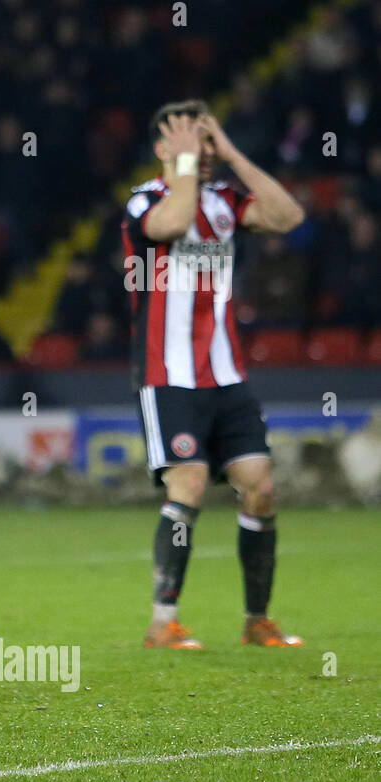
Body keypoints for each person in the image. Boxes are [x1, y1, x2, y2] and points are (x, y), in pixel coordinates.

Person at [121, 99, 306, 649]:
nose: (200, 152)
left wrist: (230, 153)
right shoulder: (144, 201)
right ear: (162, 149)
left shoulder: (226, 201)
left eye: (205, 140)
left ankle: (257, 619)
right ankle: (163, 622)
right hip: (168, 375)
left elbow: (288, 216)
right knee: (190, 485)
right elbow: (174, 223)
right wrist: (182, 168)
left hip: (226, 374)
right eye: (186, 139)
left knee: (261, 487)